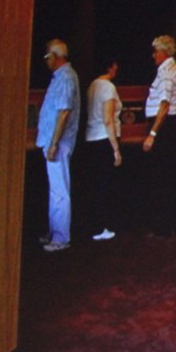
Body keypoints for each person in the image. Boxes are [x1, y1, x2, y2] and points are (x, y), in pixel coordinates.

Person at [36, 39, 81, 252]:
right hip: (54, 142)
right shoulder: (61, 77)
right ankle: (54, 232)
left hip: (59, 143)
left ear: (55, 57)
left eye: (48, 56)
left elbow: (64, 112)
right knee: (56, 190)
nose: (46, 61)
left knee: (59, 190)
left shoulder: (65, 77)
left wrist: (54, 142)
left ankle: (61, 238)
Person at [142, 34, 176, 234]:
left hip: (163, 128)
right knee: (163, 176)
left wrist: (152, 133)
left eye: (156, 51)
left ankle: (161, 225)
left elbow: (164, 105)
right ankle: (163, 224)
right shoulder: (170, 68)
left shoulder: (167, 72)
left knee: (160, 177)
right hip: (166, 127)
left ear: (164, 52)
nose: (153, 55)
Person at [84, 58, 122, 240]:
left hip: (91, 138)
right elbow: (108, 119)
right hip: (104, 139)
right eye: (114, 65)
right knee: (104, 185)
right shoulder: (108, 87)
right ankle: (102, 226)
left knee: (95, 184)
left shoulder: (93, 85)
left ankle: (95, 224)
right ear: (110, 67)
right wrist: (115, 148)